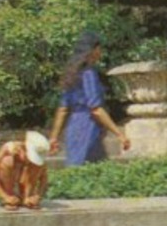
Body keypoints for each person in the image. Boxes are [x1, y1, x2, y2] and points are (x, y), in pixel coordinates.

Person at [49, 31, 130, 166]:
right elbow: (95, 109)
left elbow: (63, 109)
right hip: (88, 126)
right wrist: (119, 134)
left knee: (77, 168)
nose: (100, 51)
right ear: (92, 50)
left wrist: (53, 137)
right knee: (89, 168)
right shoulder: (89, 73)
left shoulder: (71, 74)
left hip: (73, 128)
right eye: (99, 48)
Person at [0, 131, 50, 210]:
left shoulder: (39, 156)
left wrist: (38, 196)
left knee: (37, 166)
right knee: (7, 161)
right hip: (10, 179)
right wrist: (4, 196)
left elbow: (44, 178)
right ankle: (10, 197)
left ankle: (26, 197)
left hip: (27, 182)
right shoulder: (8, 148)